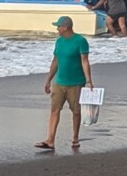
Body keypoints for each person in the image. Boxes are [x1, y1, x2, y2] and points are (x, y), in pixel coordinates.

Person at [39, 16, 90, 151]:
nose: (57, 29)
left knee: (76, 111)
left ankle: (75, 137)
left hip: (76, 83)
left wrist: (89, 81)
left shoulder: (81, 41)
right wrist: (48, 79)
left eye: (59, 26)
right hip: (59, 82)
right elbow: (55, 61)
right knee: (54, 110)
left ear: (65, 27)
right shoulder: (59, 41)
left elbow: (85, 61)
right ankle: (50, 140)